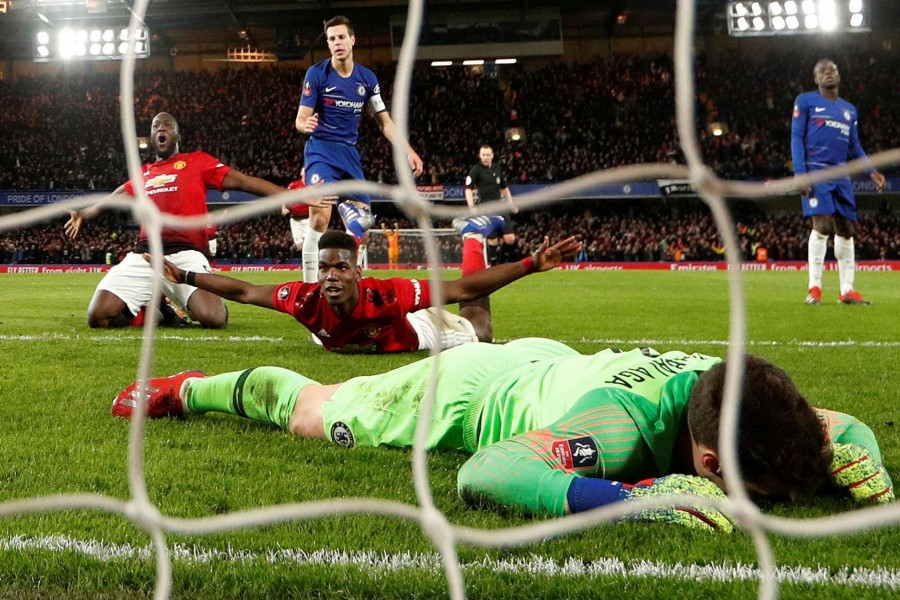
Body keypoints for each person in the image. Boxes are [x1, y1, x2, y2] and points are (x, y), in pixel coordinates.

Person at [112, 339, 893, 530]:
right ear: (711, 461)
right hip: (467, 394)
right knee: (320, 413)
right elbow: (486, 473)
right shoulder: (617, 430)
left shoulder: (747, 395)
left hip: (554, 368)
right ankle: (190, 388)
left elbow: (836, 424)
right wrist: (632, 498)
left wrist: (860, 450)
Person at [64, 112, 329, 329]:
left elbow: (246, 182)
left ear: (177, 135)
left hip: (186, 254)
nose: (161, 128)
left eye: (167, 125)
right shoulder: (143, 174)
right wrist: (83, 214)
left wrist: (298, 195)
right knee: (97, 317)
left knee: (214, 319)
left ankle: (169, 300)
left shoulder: (197, 162)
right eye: (156, 126)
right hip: (144, 255)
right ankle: (154, 312)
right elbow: (114, 197)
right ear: (152, 137)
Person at [145, 230, 580, 354]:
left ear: (357, 271)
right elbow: (242, 291)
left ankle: (472, 240)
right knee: (321, 329)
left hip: (406, 335)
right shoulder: (304, 298)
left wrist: (530, 265)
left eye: (341, 267)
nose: (331, 275)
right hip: (335, 332)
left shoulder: (389, 294)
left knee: (480, 330)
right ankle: (333, 335)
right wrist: (183, 278)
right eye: (324, 268)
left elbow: (461, 286)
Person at [295, 15, 424, 287]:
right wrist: (305, 125)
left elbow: (385, 122)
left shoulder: (367, 78)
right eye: (331, 39)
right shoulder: (316, 74)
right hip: (320, 152)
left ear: (352, 40)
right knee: (320, 216)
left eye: (341, 37)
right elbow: (300, 119)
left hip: (349, 155)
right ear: (328, 44)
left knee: (363, 227)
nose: (337, 43)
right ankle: (309, 291)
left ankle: (350, 285)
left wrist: (408, 151)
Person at [791, 58, 885, 306]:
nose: (828, 73)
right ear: (816, 79)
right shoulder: (805, 101)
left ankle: (847, 291)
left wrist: (871, 171)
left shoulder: (849, 110)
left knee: (846, 229)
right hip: (817, 173)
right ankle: (815, 288)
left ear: (839, 76)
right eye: (822, 71)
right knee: (821, 225)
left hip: (841, 176)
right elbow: (796, 137)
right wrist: (800, 172)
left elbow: (855, 146)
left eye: (832, 70)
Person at [453, 144, 519, 342]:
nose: (486, 157)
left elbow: (504, 188)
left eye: (488, 154)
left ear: (492, 155)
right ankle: (491, 264)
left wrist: (511, 203)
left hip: (500, 207)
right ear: (479, 155)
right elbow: (468, 188)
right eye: (483, 154)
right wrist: (471, 207)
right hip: (485, 209)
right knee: (490, 239)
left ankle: (497, 260)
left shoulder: (497, 168)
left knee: (510, 238)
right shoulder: (475, 170)